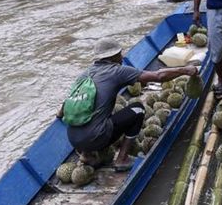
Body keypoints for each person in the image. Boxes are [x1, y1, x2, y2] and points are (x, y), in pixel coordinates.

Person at [58, 39, 199, 171]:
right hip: (97, 138)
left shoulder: (85, 74)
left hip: (73, 139)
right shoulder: (117, 70)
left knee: (98, 112)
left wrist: (59, 115)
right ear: (113, 56)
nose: (122, 57)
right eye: (120, 54)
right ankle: (122, 159)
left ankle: (87, 156)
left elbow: (64, 108)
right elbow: (158, 76)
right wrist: (185, 70)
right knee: (138, 108)